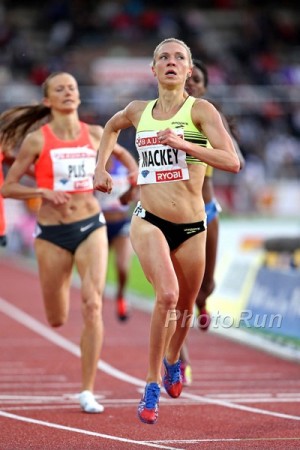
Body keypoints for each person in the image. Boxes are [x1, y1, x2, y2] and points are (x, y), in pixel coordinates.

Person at [93, 38, 240, 424]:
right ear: (153, 69)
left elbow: (232, 161)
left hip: (193, 225)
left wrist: (184, 145)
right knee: (168, 295)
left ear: (189, 70)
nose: (171, 62)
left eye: (179, 57)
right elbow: (109, 129)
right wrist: (100, 168)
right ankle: (151, 385)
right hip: (149, 219)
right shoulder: (138, 111)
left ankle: (173, 357)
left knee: (186, 306)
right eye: (163, 57)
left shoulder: (201, 111)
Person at [0, 72, 138, 413]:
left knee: (93, 304)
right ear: (48, 100)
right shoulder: (36, 140)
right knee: (57, 317)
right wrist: (41, 191)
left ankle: (87, 391)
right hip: (51, 234)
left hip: (91, 224)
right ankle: (63, 325)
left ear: (78, 97)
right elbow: (8, 187)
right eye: (59, 89)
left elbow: (123, 155)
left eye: (72, 88)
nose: (67, 92)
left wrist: (131, 184)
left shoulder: (94, 134)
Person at [179, 59, 245, 386]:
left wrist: (215, 145)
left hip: (206, 210)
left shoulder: (211, 117)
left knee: (205, 286)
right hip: (173, 213)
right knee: (175, 294)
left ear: (204, 86)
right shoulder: (162, 115)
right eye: (189, 78)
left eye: (198, 80)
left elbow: (237, 161)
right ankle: (180, 361)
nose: (191, 84)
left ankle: (204, 301)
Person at [95, 154, 138, 321]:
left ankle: (120, 296)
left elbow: (136, 190)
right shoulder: (97, 168)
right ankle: (97, 303)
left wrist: (133, 193)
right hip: (101, 223)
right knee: (99, 270)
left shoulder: (125, 165)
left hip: (121, 222)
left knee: (122, 266)